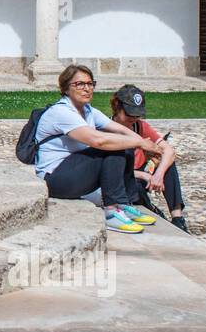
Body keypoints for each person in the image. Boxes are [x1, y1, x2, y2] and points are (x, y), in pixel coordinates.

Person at [32, 65, 162, 235]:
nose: (87, 88)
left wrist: (145, 144)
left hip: (74, 172)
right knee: (113, 147)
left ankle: (124, 204)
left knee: (125, 144)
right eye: (79, 84)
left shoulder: (88, 111)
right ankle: (111, 212)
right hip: (54, 179)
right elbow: (98, 141)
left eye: (90, 83)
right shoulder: (61, 112)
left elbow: (121, 130)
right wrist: (139, 144)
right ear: (65, 88)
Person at [110, 84, 189, 232]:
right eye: (129, 114)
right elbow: (109, 170)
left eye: (137, 114)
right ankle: (151, 210)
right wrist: (143, 175)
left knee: (167, 165)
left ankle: (178, 218)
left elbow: (169, 151)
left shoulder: (139, 126)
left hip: (142, 173)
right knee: (135, 186)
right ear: (116, 107)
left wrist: (158, 174)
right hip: (123, 177)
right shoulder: (106, 129)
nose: (133, 118)